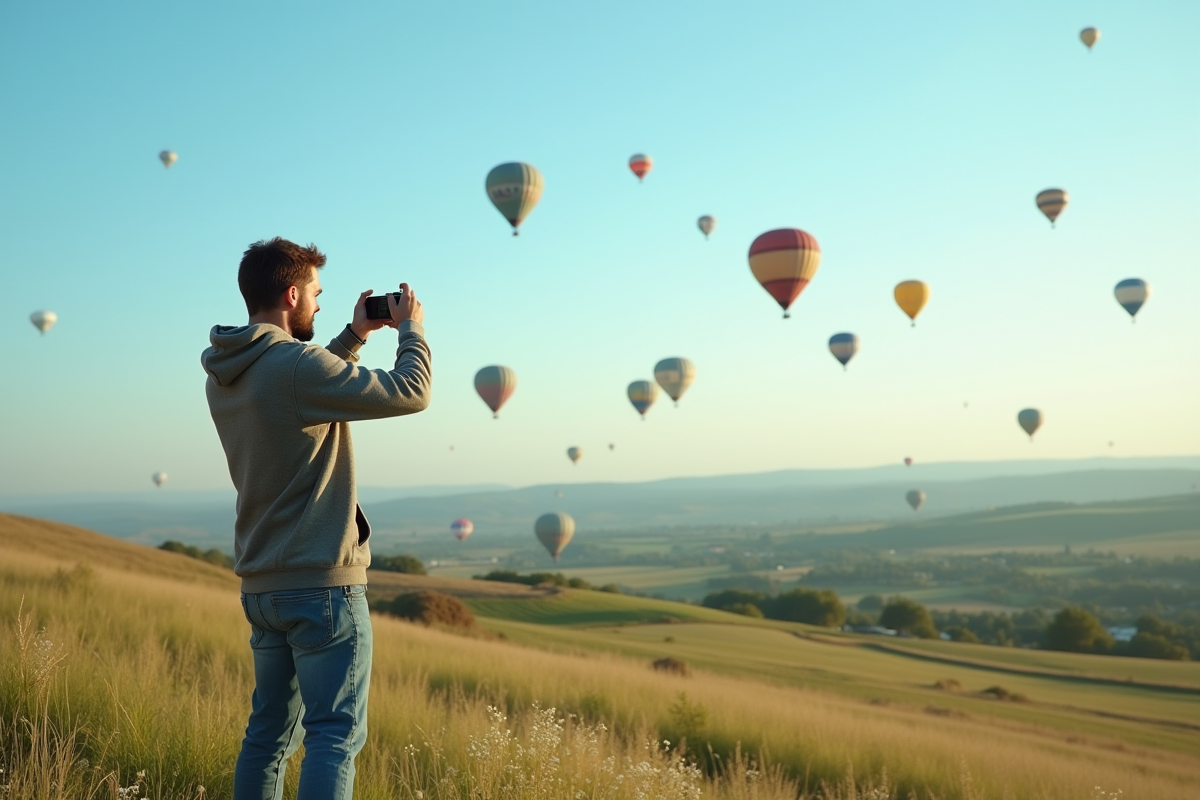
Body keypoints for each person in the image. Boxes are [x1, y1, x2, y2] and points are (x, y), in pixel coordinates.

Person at [201, 238, 432, 800]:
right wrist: (411, 331)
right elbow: (412, 392)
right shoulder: (296, 366)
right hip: (322, 586)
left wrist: (353, 338)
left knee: (267, 737)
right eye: (316, 294)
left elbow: (300, 388)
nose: (320, 305)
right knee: (333, 735)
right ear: (290, 293)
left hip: (264, 586)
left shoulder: (228, 373)